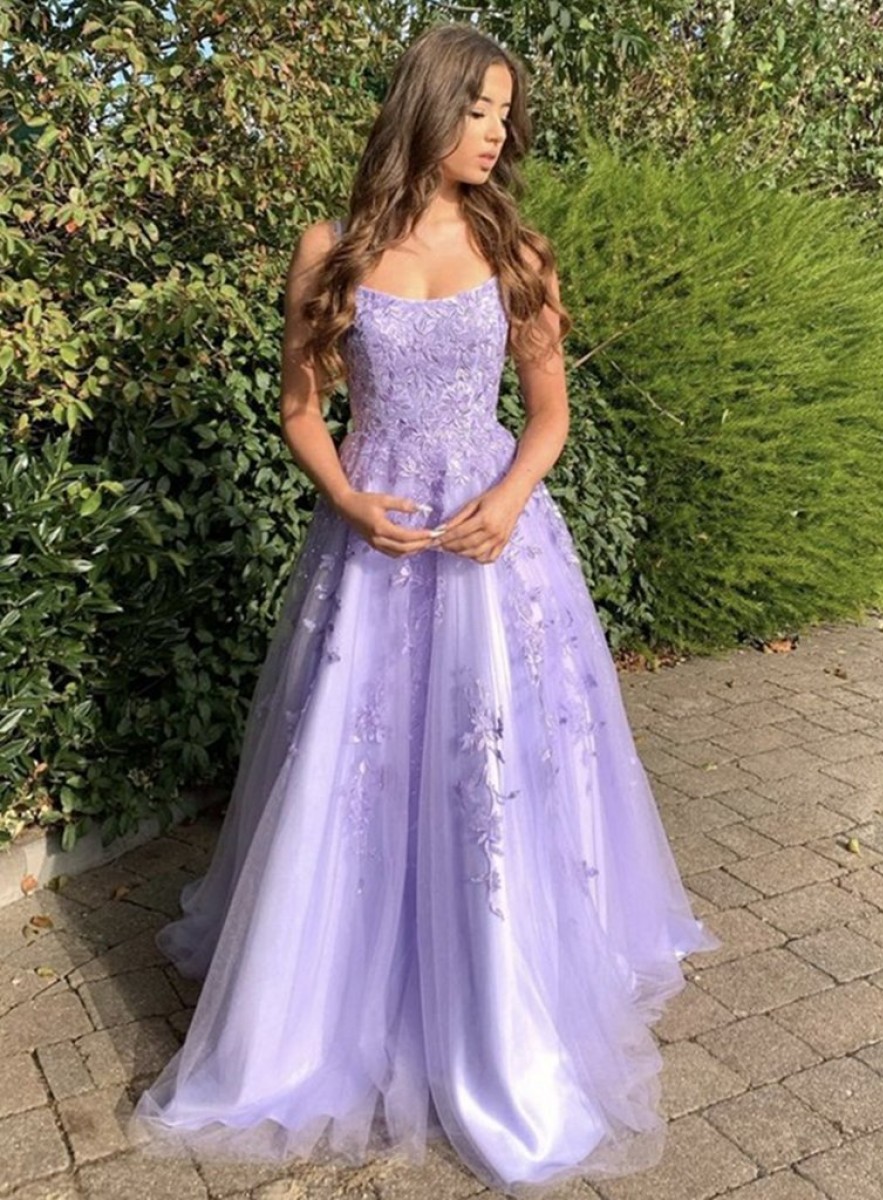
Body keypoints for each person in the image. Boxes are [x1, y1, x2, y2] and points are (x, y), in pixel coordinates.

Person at [128, 20, 721, 1198]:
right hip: (375, 547)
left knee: (491, 762)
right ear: (426, 107)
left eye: (506, 113)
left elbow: (547, 415)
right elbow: (302, 409)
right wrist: (349, 498)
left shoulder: (519, 252)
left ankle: (501, 993)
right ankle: (326, 991)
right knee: (357, 765)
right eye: (478, 109)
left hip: (496, 549)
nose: (497, 132)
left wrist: (509, 498)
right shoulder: (331, 249)